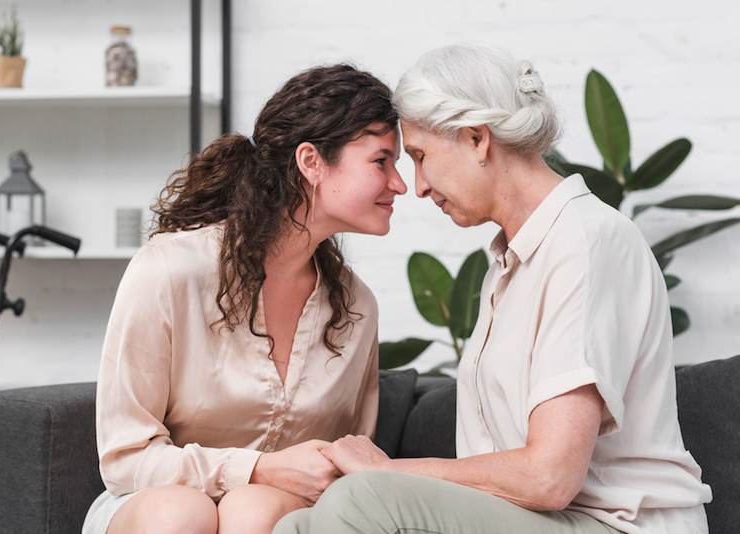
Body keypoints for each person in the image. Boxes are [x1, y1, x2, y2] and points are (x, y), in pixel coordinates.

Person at [273, 44, 713, 534]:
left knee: (362, 499)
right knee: (297, 525)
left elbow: (550, 477)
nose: (416, 186)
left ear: (477, 139)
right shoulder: (513, 261)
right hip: (539, 519)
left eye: (420, 156)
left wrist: (387, 470)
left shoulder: (586, 242)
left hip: (612, 525)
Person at [81, 64, 407, 534]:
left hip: (274, 517)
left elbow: (347, 463)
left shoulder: (355, 308)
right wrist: (257, 468)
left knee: (254, 510)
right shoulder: (169, 270)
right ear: (311, 162)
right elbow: (125, 460)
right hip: (150, 508)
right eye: (381, 161)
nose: (399, 183)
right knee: (180, 512)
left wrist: (278, 483)